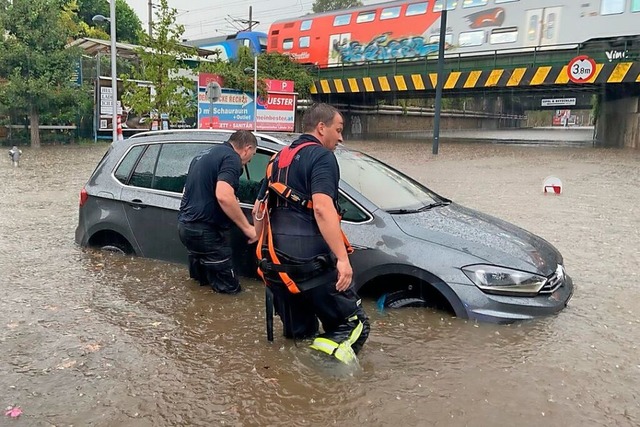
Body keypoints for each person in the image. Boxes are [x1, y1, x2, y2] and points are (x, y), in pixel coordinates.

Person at [253, 103, 370, 364]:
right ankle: (324, 384)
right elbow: (322, 208)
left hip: (275, 267)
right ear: (321, 128)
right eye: (338, 130)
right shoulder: (322, 157)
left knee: (299, 335)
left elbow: (258, 214)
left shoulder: (275, 159)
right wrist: (342, 259)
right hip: (312, 262)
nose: (341, 138)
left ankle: (296, 387)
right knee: (354, 326)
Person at [178, 130, 258, 294]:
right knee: (230, 292)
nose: (249, 162)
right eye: (253, 155)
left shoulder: (203, 155)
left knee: (201, 286)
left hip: (186, 228)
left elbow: (190, 190)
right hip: (207, 232)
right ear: (247, 149)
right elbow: (223, 196)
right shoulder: (231, 158)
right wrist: (248, 228)